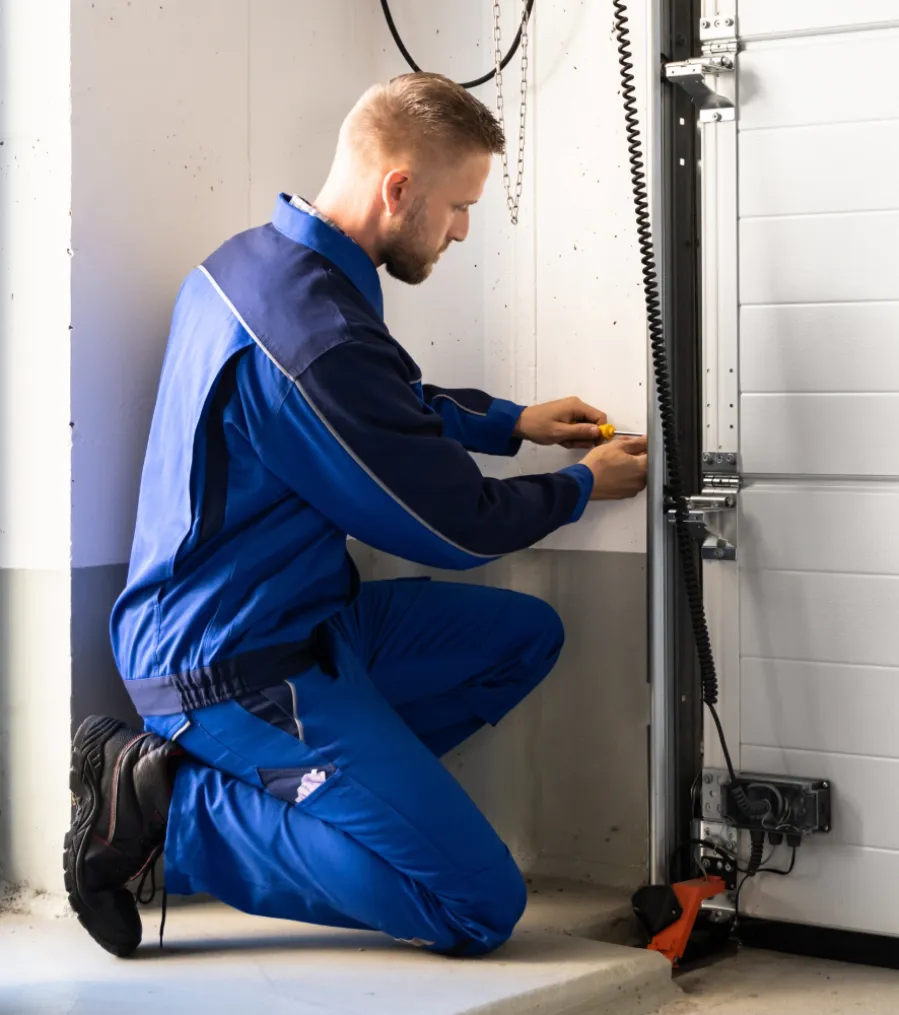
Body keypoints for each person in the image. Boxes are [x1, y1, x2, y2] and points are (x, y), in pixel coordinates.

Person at [64, 73, 648, 960]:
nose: (459, 230)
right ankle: (172, 811)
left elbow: (382, 404)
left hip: (308, 620)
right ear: (399, 189)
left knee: (524, 636)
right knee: (477, 904)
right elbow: (457, 526)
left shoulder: (256, 265)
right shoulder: (311, 336)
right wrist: (577, 486)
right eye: (457, 206)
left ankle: (328, 805)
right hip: (228, 664)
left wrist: (511, 422)